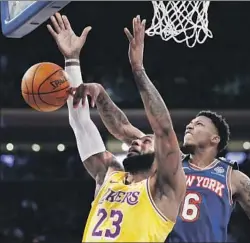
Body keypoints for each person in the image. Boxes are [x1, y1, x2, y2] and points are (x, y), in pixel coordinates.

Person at [47, 13, 186, 242]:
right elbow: (81, 124)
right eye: (138, 140)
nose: (136, 141)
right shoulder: (108, 173)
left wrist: (138, 69)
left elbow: (163, 128)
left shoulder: (164, 190)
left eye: (145, 141)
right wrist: (72, 61)